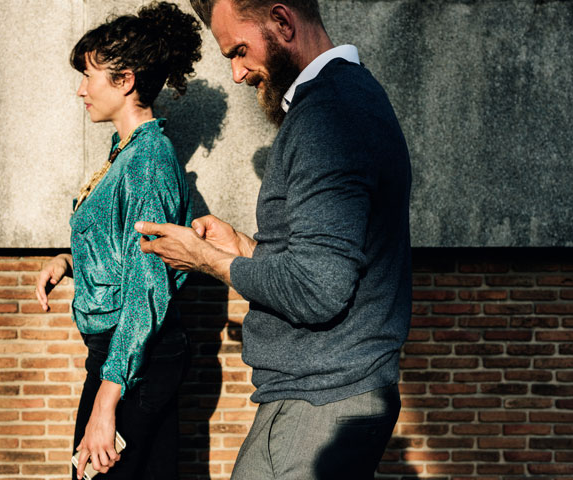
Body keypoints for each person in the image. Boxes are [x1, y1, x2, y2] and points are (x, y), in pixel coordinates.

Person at [134, 0, 412, 478]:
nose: (238, 74)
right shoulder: (343, 98)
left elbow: (317, 289)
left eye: (240, 51)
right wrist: (241, 247)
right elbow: (324, 260)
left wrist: (206, 260)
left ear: (282, 22)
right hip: (319, 393)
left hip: (321, 401)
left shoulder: (330, 115)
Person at [34, 3, 201, 479]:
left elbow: (148, 287)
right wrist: (70, 261)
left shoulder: (147, 160)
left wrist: (107, 403)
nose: (81, 89)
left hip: (131, 359)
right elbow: (124, 248)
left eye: (90, 76)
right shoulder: (125, 152)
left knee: (91, 470)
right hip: (124, 356)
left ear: (125, 79)